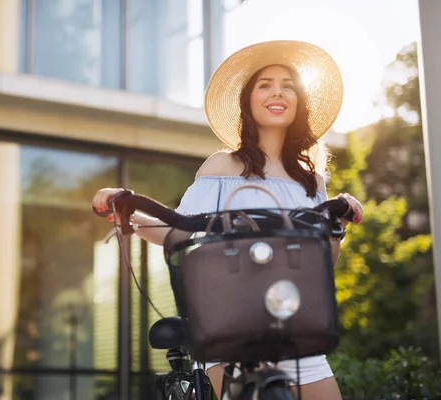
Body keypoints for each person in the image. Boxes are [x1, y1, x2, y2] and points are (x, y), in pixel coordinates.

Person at [92, 40, 364, 400]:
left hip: (293, 322)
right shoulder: (223, 166)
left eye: (287, 85)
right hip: (233, 323)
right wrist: (128, 214)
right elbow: (180, 229)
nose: (276, 93)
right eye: (265, 85)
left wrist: (337, 224)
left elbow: (322, 265)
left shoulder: (312, 180)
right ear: (249, 100)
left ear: (298, 101)